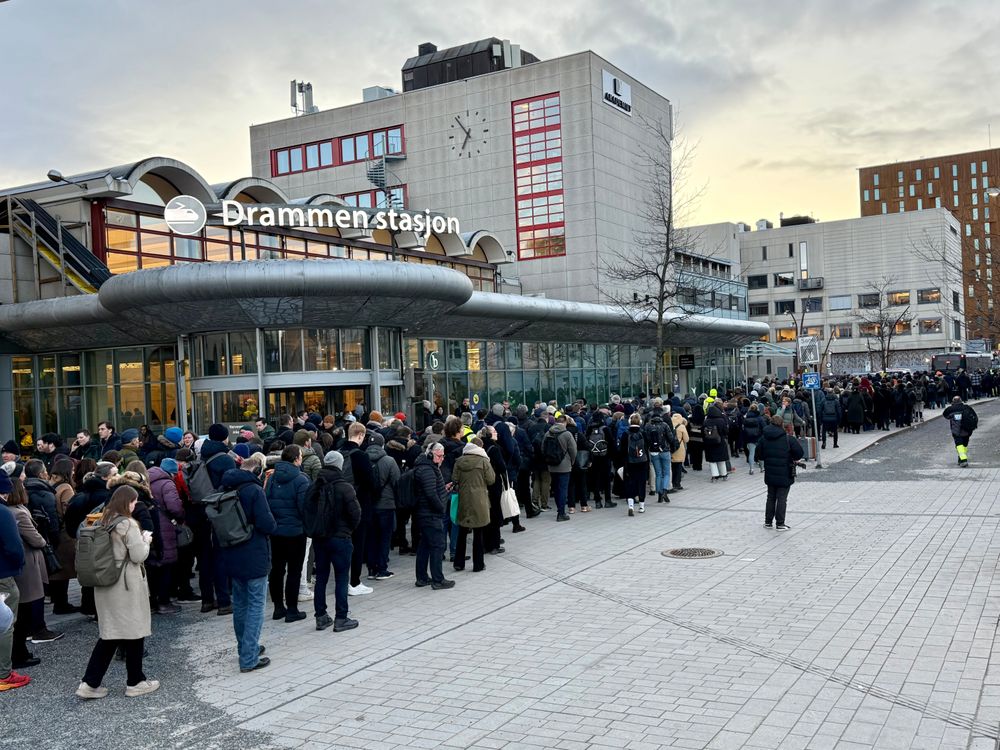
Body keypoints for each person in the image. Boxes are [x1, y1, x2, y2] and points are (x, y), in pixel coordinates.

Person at [75, 485, 160, 699]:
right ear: (126, 502)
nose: (134, 505)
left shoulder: (102, 519)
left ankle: (90, 683)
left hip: (105, 583)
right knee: (134, 630)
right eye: (133, 502)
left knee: (111, 634)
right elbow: (138, 555)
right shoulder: (127, 524)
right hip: (125, 584)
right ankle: (135, 681)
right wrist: (146, 541)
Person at [217, 455, 277, 672]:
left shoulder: (224, 488)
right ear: (258, 471)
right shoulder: (253, 490)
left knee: (241, 605)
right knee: (256, 606)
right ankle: (249, 657)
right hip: (254, 553)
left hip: (231, 553)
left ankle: (245, 648)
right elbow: (267, 523)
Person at [308, 451, 361, 633]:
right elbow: (355, 513)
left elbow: (307, 509)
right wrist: (348, 529)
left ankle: (320, 616)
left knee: (321, 577)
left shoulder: (315, 485)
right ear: (339, 465)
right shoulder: (344, 486)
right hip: (340, 537)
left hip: (320, 538)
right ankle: (341, 617)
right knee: (341, 577)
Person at [7, 477, 51, 669]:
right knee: (24, 611)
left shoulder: (11, 511)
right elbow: (36, 539)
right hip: (27, 566)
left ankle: (19, 652)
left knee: (19, 612)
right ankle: (19, 654)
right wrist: (43, 540)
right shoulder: (19, 513)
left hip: (20, 566)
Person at [264, 445, 310, 623]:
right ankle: (292, 609)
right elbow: (303, 507)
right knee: (294, 571)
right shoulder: (301, 480)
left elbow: (266, 501)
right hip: (295, 531)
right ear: (296, 459)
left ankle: (278, 607)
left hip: (276, 531)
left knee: (276, 569)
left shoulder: (273, 477)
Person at [0, 473, 28, 691]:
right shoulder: (3, 513)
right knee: (5, 623)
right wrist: (18, 564)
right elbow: (13, 546)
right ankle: (3, 673)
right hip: (2, 575)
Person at [412, 442, 454, 589]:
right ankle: (438, 579)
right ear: (430, 454)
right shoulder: (427, 469)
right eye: (439, 456)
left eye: (442, 456)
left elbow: (431, 490)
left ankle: (422, 578)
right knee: (437, 545)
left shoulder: (425, 467)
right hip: (430, 513)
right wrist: (440, 507)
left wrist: (444, 489)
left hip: (425, 512)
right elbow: (430, 494)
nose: (441, 459)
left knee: (425, 545)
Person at [451, 438, 495, 573]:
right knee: (478, 532)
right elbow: (491, 479)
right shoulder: (483, 461)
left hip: (464, 499)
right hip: (479, 499)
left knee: (462, 532)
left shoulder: (459, 461)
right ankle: (478, 564)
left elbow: (454, 479)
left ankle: (459, 563)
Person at [756, 415, 804, 531]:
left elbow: (758, 455)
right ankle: (780, 523)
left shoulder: (764, 438)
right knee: (782, 498)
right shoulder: (788, 439)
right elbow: (799, 453)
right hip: (785, 472)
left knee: (770, 497)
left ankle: (768, 522)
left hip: (770, 472)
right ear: (782, 424)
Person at [365, 433, 399, 581]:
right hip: (386, 504)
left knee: (371, 537)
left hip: (368, 504)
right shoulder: (389, 461)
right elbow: (397, 482)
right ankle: (382, 569)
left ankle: (371, 569)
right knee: (385, 538)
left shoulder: (362, 458)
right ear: (382, 444)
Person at [47, 458, 78, 614]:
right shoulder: (66, 488)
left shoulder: (51, 485)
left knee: (58, 569)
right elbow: (69, 511)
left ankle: (58, 601)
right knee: (64, 569)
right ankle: (61, 603)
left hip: (53, 531)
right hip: (64, 533)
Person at [544, 415, 577, 522]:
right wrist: (571, 461)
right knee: (563, 489)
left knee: (556, 488)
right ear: (565, 422)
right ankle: (561, 513)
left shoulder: (548, 433)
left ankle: (559, 508)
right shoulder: (567, 434)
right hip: (564, 465)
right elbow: (573, 450)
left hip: (551, 465)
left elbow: (543, 448)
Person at [622, 413, 649, 516]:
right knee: (641, 483)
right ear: (640, 422)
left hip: (629, 462)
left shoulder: (626, 434)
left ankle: (631, 505)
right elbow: (647, 447)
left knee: (630, 483)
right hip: (642, 461)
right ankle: (641, 506)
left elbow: (622, 450)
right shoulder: (643, 433)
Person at [942, 396, 978, 467]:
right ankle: (961, 458)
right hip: (967, 430)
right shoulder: (967, 407)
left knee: (959, 445)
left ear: (953, 401)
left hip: (956, 431)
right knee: (964, 445)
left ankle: (963, 460)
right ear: (961, 401)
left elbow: (945, 415)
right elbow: (974, 416)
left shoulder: (950, 409)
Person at [702, 403, 731, 481]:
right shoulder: (721, 420)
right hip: (720, 442)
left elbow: (702, 433)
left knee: (712, 461)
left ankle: (715, 475)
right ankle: (724, 474)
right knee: (721, 459)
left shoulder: (706, 421)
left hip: (709, 443)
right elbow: (726, 431)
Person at [741, 404, 766, 474]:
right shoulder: (760, 418)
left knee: (751, 454)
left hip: (749, 438)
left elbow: (743, 429)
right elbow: (764, 427)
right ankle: (762, 468)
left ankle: (751, 469)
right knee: (760, 454)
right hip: (759, 438)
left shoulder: (746, 418)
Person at [670, 411, 689, 491]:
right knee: (678, 467)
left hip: (671, 448)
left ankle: (671, 483)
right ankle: (677, 484)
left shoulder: (669, 425)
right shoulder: (681, 427)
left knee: (672, 467)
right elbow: (686, 439)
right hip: (679, 448)